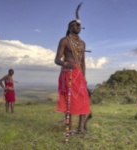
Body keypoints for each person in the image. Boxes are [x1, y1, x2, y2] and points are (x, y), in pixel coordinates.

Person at [54, 3, 91, 139]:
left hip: (79, 74)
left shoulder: (82, 43)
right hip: (68, 73)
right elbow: (56, 60)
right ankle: (68, 128)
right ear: (69, 28)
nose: (77, 27)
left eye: (79, 25)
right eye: (75, 25)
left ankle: (81, 129)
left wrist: (84, 77)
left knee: (84, 99)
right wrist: (66, 63)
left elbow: (83, 62)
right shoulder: (64, 41)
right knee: (69, 101)